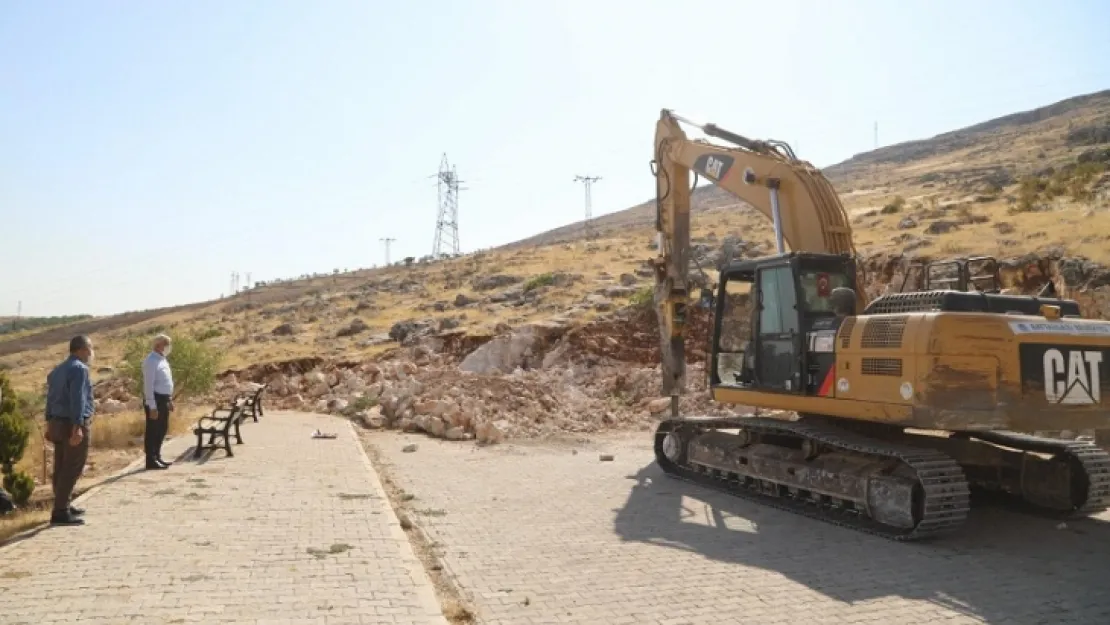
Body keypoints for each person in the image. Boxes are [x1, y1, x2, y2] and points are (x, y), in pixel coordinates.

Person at [44, 335, 96, 526]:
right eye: (90, 348)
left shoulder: (57, 370)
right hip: (72, 423)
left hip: (57, 423)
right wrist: (77, 426)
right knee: (72, 466)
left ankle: (63, 502)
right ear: (82, 349)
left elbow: (50, 399)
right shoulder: (79, 369)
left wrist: (49, 422)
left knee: (60, 465)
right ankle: (60, 512)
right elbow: (78, 400)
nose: (91, 353)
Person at [141, 334, 175, 470]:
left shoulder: (162, 360)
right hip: (155, 399)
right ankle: (150, 460)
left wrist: (170, 399)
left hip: (164, 399)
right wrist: (152, 406)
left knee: (162, 429)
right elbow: (148, 385)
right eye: (166, 344)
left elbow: (165, 381)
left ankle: (157, 455)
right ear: (158, 346)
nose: (168, 347)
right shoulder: (151, 361)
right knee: (153, 430)